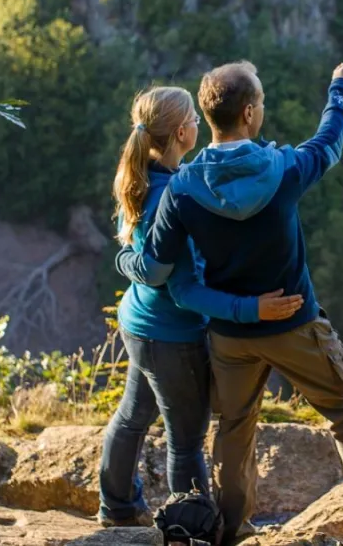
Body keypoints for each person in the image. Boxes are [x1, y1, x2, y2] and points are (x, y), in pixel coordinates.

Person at [118, 56, 343, 543]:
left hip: (229, 337)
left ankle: (230, 529)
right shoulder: (284, 170)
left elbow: (164, 275)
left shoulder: (181, 190)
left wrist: (124, 260)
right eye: (260, 99)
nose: (261, 105)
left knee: (235, 427)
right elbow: (329, 143)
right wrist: (340, 89)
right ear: (249, 114)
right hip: (293, 326)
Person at [99, 86, 305, 528]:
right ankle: (191, 528)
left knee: (133, 415)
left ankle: (116, 507)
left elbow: (141, 262)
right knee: (187, 441)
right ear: (182, 131)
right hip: (173, 334)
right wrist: (251, 309)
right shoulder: (169, 198)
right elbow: (184, 290)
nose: (199, 122)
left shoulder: (139, 177)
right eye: (193, 116)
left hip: (139, 324)